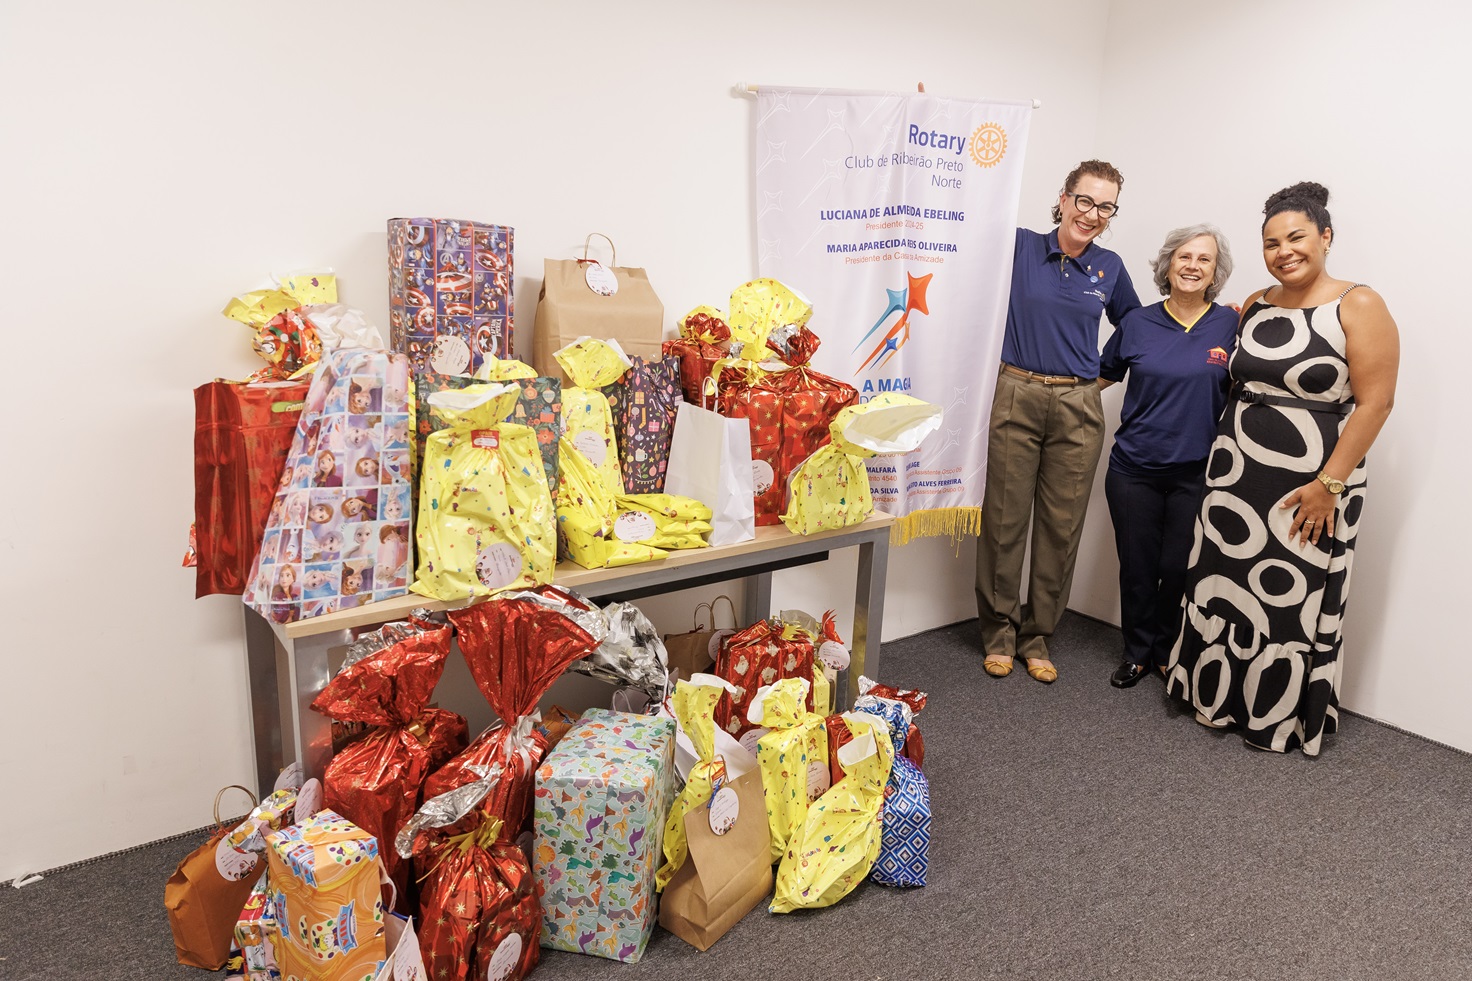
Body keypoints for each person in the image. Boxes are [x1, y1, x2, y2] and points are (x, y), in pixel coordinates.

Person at [1166, 182, 1399, 754]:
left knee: (1289, 598)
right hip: (1236, 471)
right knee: (1223, 581)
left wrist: (1329, 485)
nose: (1284, 251)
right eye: (1271, 242)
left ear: (1325, 237)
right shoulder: (1257, 303)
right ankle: (1215, 697)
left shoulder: (1358, 303)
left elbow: (1376, 403)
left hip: (1312, 480)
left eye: (1296, 237)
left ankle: (1274, 715)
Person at [977, 160, 1142, 683]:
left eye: (1106, 206)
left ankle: (1038, 636)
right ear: (1064, 197)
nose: (1092, 214)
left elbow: (1137, 327)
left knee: (1061, 527)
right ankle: (999, 633)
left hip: (1077, 406)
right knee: (1004, 522)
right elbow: (966, 216)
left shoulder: (1109, 267)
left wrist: (1100, 377)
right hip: (1015, 393)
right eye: (1085, 200)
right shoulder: (1021, 246)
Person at [1098, 225, 1238, 688]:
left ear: (1216, 272)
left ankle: (1165, 650)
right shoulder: (1137, 323)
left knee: (1177, 568)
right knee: (1138, 566)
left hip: (1196, 473)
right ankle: (1137, 652)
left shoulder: (1230, 325)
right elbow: (1098, 380)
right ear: (1168, 264)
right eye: (1185, 256)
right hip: (1133, 469)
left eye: (1204, 259)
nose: (1193, 265)